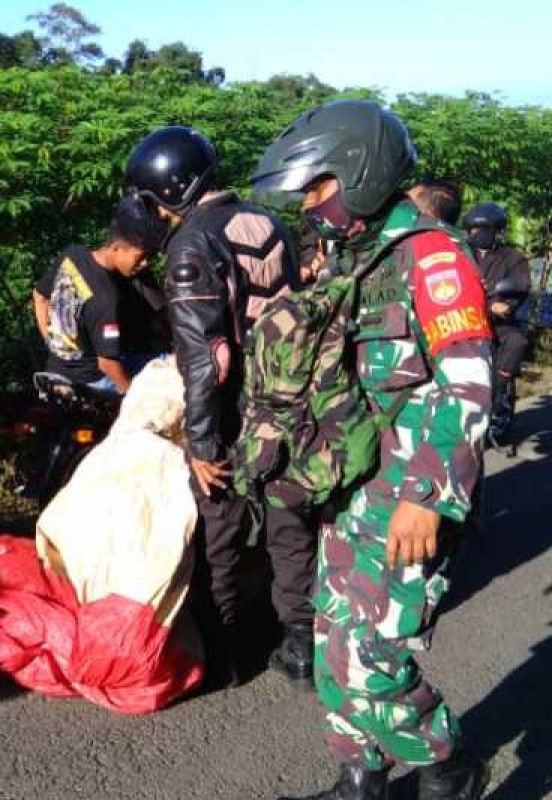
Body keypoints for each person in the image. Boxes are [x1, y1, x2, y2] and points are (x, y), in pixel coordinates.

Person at [252, 99, 491, 800]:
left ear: (360, 171)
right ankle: (361, 778)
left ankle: (448, 766)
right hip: (350, 487)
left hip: (408, 495)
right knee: (333, 643)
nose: (309, 204)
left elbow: (469, 384)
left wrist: (428, 497)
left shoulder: (432, 257)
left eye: (318, 186)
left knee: (373, 658)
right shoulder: (355, 258)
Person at [125, 126, 300, 687]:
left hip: (234, 409)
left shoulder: (192, 243)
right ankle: (297, 637)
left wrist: (201, 444)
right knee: (288, 521)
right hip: (292, 400)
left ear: (167, 190)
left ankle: (229, 654)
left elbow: (206, 358)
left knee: (220, 529)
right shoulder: (272, 223)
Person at [31, 195, 165, 394]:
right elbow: (107, 364)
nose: (145, 263)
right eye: (141, 256)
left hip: (57, 367)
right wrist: (131, 396)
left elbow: (39, 297)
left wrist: (54, 344)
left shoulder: (71, 255)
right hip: (93, 380)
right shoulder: (107, 300)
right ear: (116, 247)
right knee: (167, 366)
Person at [463, 202, 530, 446]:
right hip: (465, 319)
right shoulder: (461, 253)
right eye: (472, 229)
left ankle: (498, 394)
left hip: (498, 323)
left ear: (497, 231)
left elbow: (520, 284)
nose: (476, 234)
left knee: (516, 341)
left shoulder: (512, 258)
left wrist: (499, 302)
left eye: (482, 229)